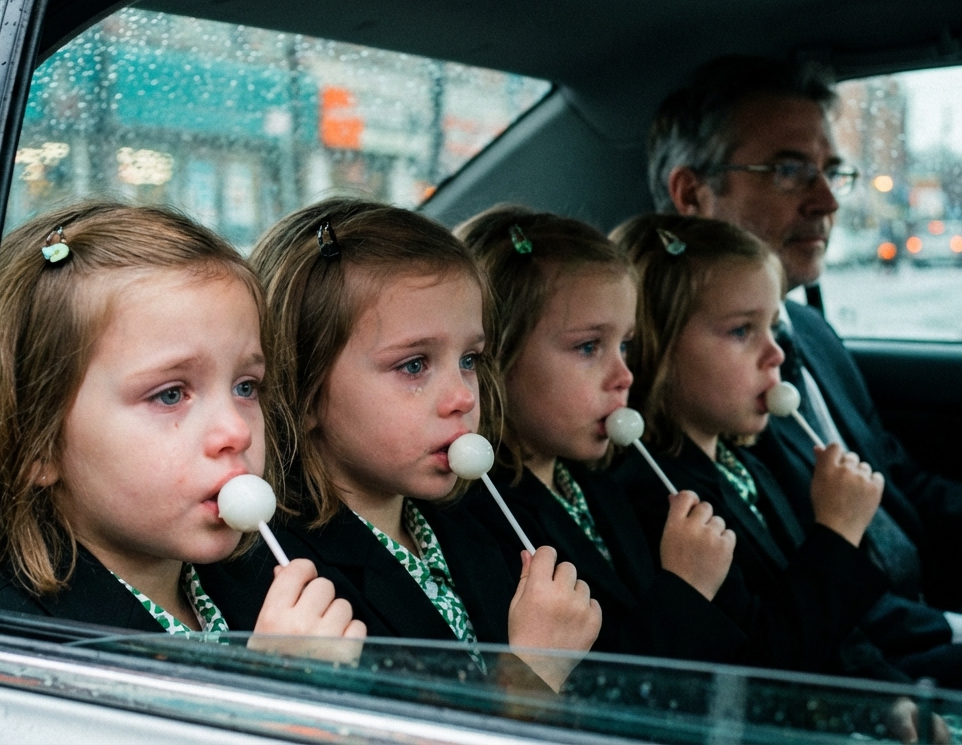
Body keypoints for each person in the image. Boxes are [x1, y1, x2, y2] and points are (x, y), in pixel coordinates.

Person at [646, 55, 962, 697]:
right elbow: (795, 602)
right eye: (789, 170)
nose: (828, 199)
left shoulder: (807, 332)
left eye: (831, 170)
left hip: (922, 613)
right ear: (692, 193)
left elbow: (900, 486)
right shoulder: (702, 393)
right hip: (872, 657)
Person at [209, 198, 602, 692]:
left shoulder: (478, 528)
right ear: (303, 390)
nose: (462, 397)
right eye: (413, 365)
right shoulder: (284, 584)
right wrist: (535, 669)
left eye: (470, 360)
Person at [0, 202, 365, 646]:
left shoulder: (264, 584)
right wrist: (278, 681)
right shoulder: (12, 640)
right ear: (36, 445)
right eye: (170, 395)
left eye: (246, 387)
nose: (237, 431)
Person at [610, 212, 896, 679]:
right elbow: (767, 661)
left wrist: (889, 697)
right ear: (657, 347)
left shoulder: (741, 460)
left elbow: (844, 640)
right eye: (742, 331)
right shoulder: (662, 501)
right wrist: (838, 533)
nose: (776, 354)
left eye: (773, 328)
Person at [455, 204, 744, 663]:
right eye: (589, 347)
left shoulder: (598, 484)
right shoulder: (480, 522)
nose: (624, 374)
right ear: (498, 357)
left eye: (624, 345)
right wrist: (686, 587)